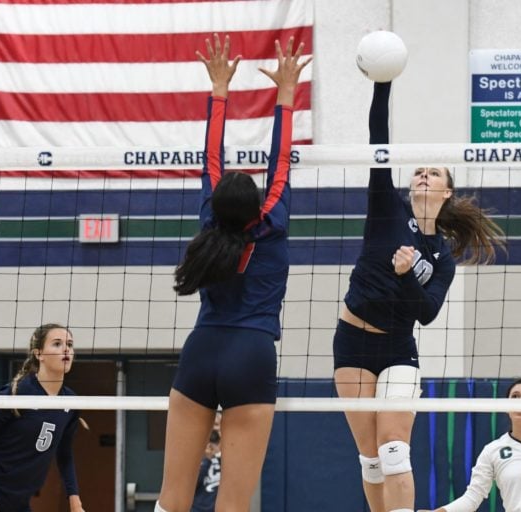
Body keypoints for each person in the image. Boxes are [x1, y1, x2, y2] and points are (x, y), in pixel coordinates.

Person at [154, 34, 310, 512]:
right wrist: (288, 92)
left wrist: (219, 89)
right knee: (234, 503)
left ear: (217, 203)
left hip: (202, 350)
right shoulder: (273, 225)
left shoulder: (208, 224)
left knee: (171, 499)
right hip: (252, 355)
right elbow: (280, 159)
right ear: (257, 203)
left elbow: (210, 158)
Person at [334, 80, 505, 512]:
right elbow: (378, 138)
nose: (422, 175)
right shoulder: (387, 207)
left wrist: (408, 273)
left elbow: (425, 314)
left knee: (394, 450)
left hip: (398, 347)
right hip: (352, 342)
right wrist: (382, 84)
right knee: (371, 459)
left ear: (446, 192)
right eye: (419, 171)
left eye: (433, 173)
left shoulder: (442, 257)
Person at [419, 379, 521, 512]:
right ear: (506, 406)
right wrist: (441, 511)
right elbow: (473, 497)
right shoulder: (492, 451)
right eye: (515, 396)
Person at [0, 323, 85, 512]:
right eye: (57, 344)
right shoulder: (20, 392)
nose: (66, 349)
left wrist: (75, 500)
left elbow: (64, 455)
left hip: (18, 499)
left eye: (70, 344)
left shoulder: (70, 402)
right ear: (39, 354)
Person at [191, 430, 221, 512]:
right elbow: (193, 484)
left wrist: (218, 454)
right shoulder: (197, 461)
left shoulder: (225, 461)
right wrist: (207, 460)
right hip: (198, 508)